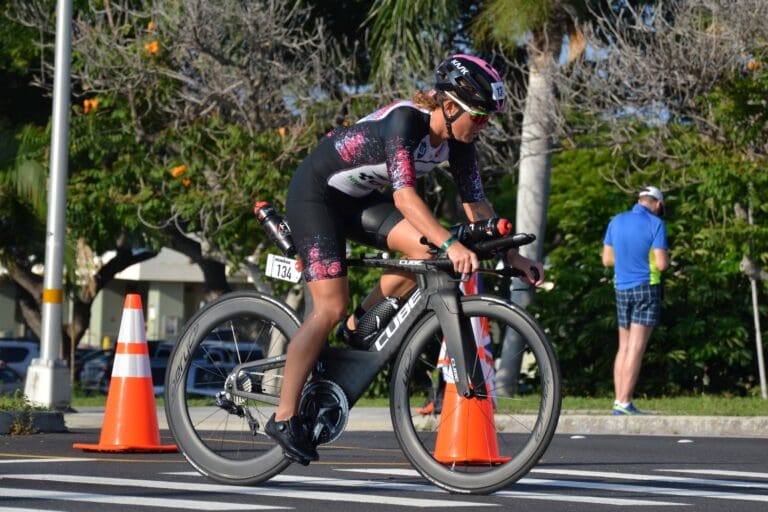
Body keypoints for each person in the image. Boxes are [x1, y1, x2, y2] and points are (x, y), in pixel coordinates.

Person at [264, 54, 544, 464]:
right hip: (317, 195)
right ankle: (284, 416)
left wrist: (513, 256)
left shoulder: (459, 141)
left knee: (426, 252)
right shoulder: (406, 123)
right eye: (480, 117)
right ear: (449, 107)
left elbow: (477, 204)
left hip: (359, 201)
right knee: (329, 306)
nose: (483, 125)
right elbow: (405, 198)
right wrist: (452, 243)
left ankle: (361, 324)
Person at [602, 186, 670, 415]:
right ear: (658, 204)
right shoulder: (656, 223)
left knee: (623, 346)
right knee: (636, 347)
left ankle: (617, 401)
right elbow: (661, 264)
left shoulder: (616, 221)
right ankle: (624, 401)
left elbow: (607, 259)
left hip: (621, 287)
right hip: (646, 287)